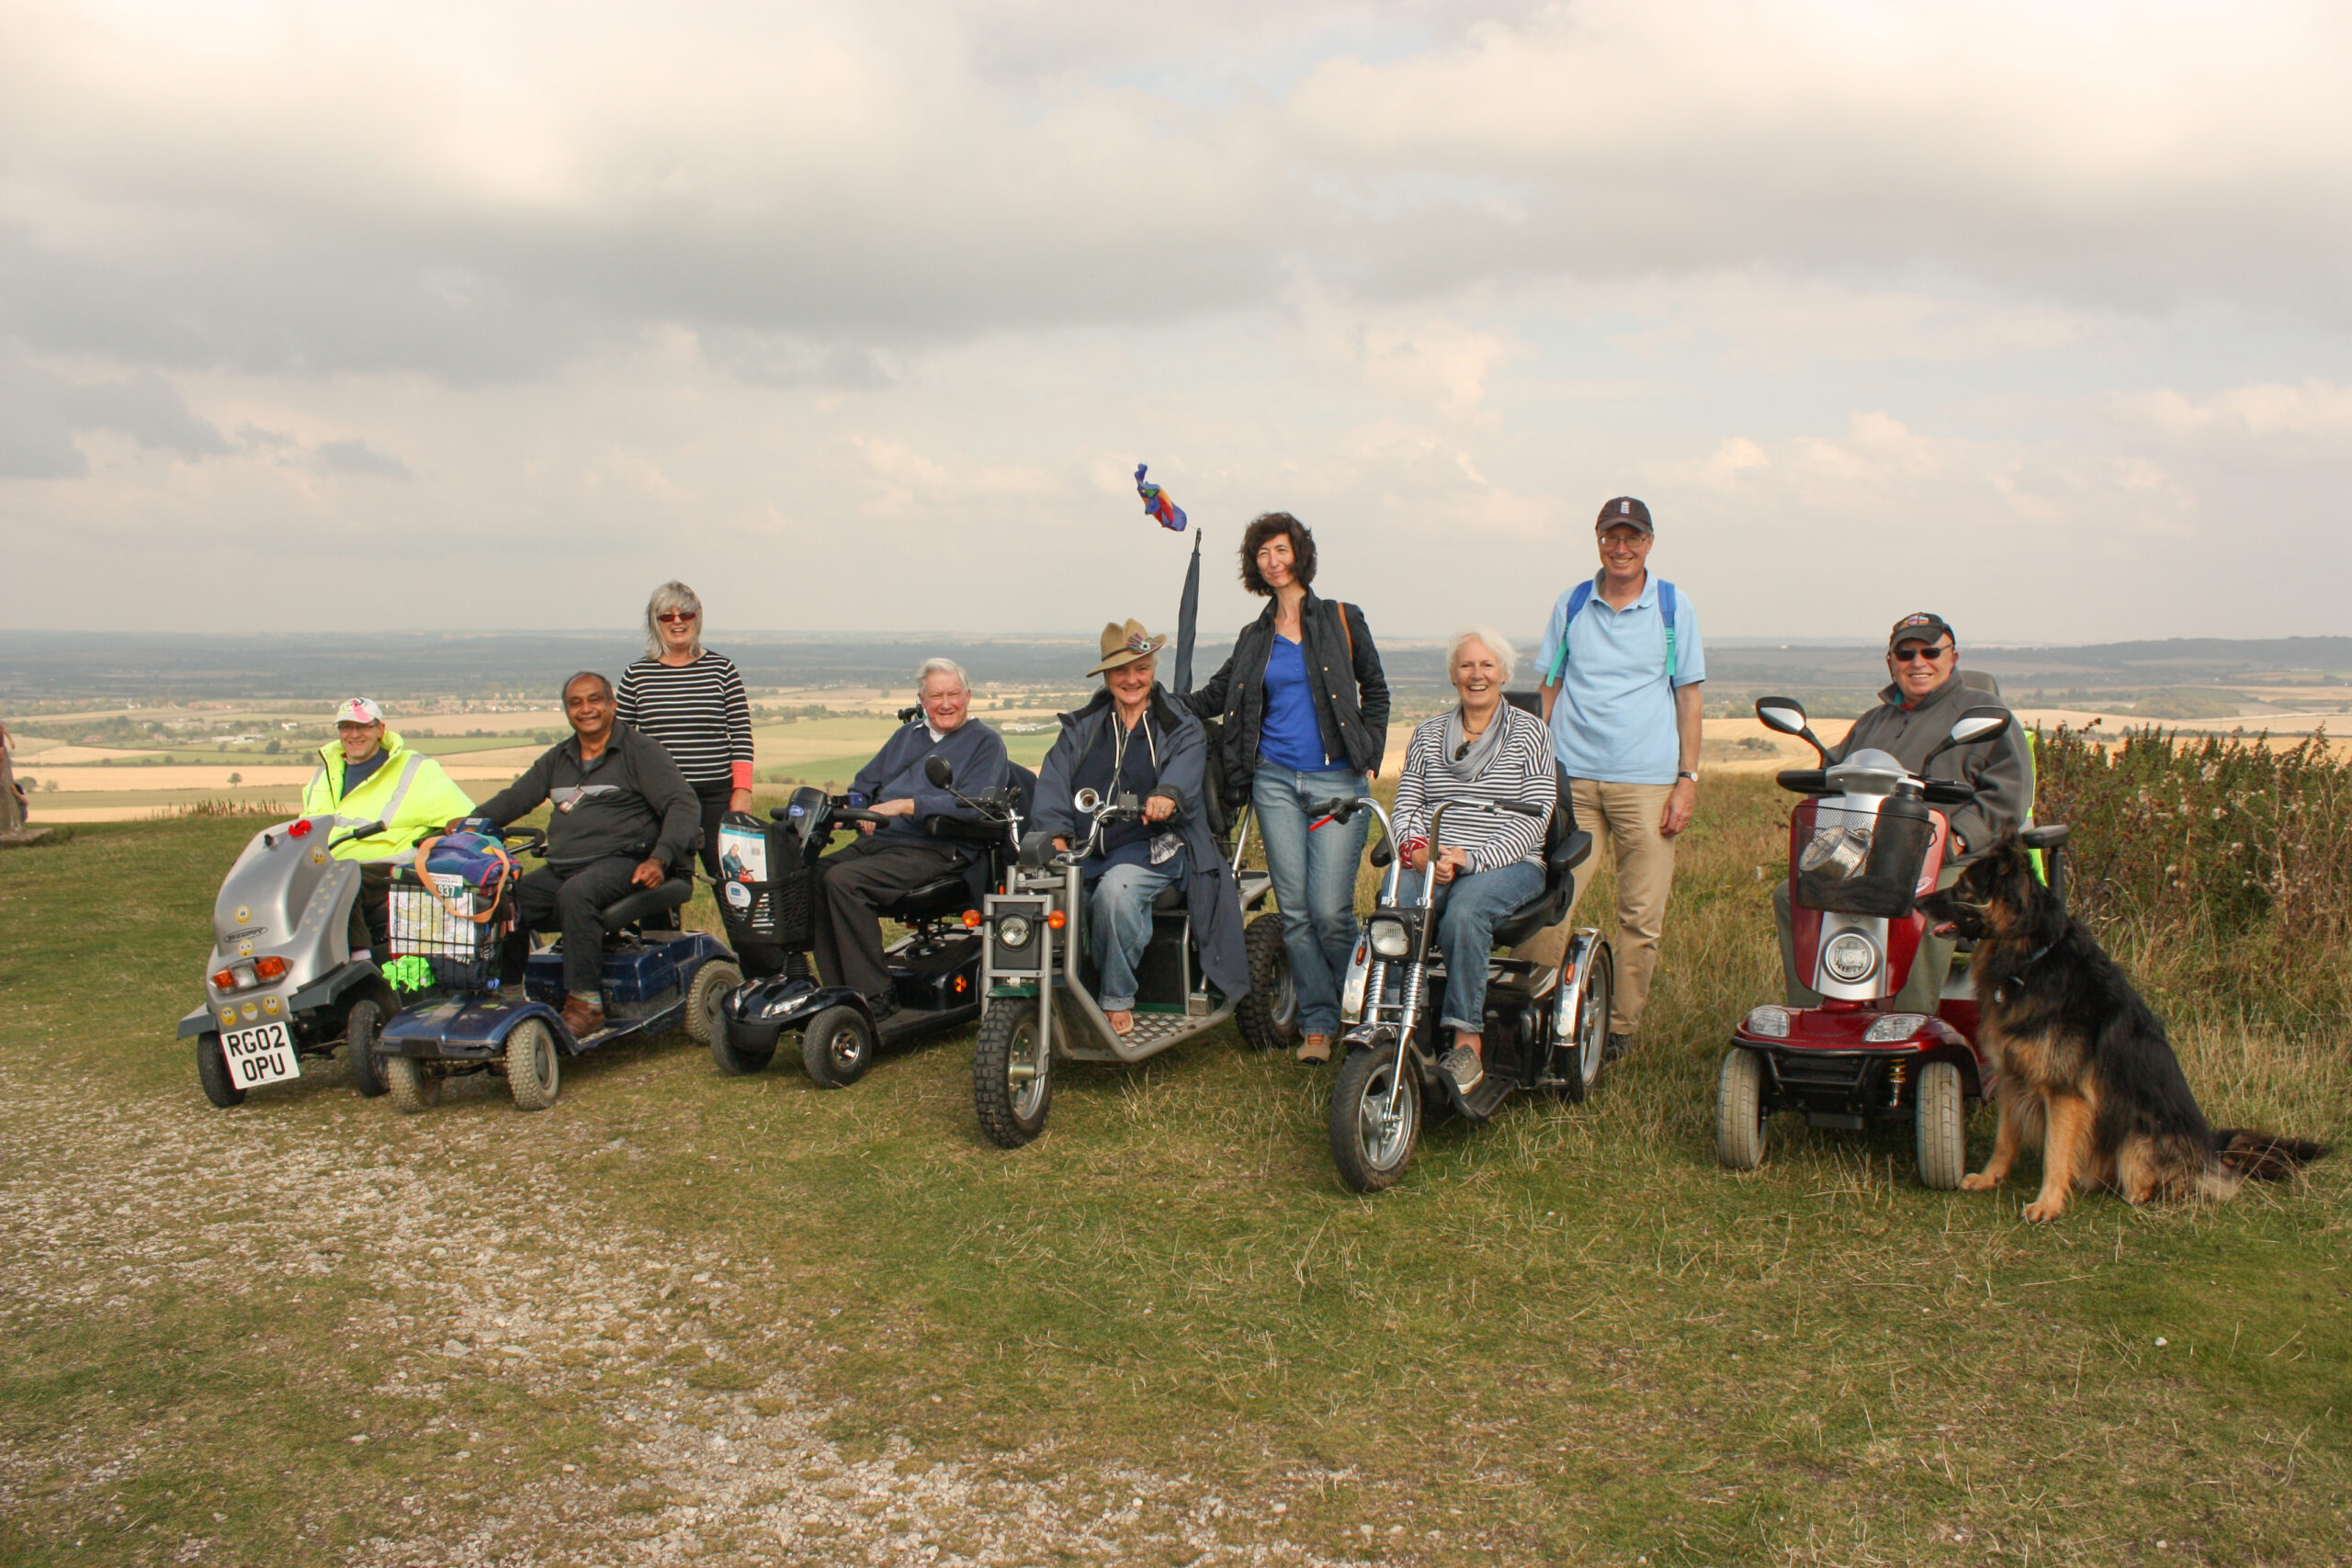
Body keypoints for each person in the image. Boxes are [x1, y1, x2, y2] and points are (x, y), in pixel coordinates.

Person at [1187, 513, 1389, 1066]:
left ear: (1299, 553)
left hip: (1336, 782)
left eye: (1280, 550)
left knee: (1329, 911)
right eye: (1262, 555)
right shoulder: (1255, 637)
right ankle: (1320, 1022)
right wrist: (1153, 699)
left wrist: (1369, 749)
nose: (1273, 562)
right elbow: (1217, 694)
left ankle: (1368, 1011)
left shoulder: (1342, 619)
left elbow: (1375, 687)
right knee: (1295, 912)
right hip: (1274, 780)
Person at [1774, 611, 2034, 1011]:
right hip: (1870, 854)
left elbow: (2009, 798)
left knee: (1924, 904)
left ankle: (1908, 1025)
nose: (1918, 662)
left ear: (1953, 656)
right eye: (1906, 653)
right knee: (1792, 894)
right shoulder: (1873, 722)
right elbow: (1834, 780)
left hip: (1950, 857)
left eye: (1931, 651)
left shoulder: (1984, 715)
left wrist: (1958, 837)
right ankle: (1817, 1015)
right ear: (1891, 661)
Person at [1527, 496, 1706, 1061]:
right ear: (1598, 539)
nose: (1621, 547)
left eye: (1632, 537)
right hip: (1573, 779)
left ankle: (1619, 1030)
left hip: (1648, 785)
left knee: (1641, 915)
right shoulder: (1573, 602)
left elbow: (1689, 697)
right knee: (1551, 898)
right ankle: (1533, 1015)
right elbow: (1550, 686)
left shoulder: (1674, 607)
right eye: (1611, 536)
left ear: (1649, 542)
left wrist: (1688, 779)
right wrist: (1534, 763)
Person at [1033, 621, 1250, 1035]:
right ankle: (1053, 992)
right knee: (1044, 891)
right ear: (1107, 675)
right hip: (1089, 845)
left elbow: (1185, 770)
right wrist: (1055, 834)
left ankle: (1115, 998)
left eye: (1141, 669)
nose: (1132, 679)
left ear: (1152, 669)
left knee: (1117, 893)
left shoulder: (1178, 723)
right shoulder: (1084, 726)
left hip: (1158, 846)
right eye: (1121, 671)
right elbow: (1054, 780)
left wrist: (1166, 795)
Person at [468, 671, 700, 1038]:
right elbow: (516, 798)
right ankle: (509, 995)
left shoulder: (640, 752)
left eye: (594, 700)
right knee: (506, 897)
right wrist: (469, 823)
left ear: (612, 704)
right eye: (576, 703)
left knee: (577, 894)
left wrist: (661, 857)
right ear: (567, 710)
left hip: (625, 861)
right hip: (564, 866)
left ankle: (586, 1005)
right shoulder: (558, 757)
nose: (586, 709)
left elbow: (682, 804)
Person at [1391, 628, 1556, 1094]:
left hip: (1507, 860)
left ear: (1503, 674)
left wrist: (1470, 859)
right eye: (1467, 665)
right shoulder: (1427, 735)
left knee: (1464, 913)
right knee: (1398, 908)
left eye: (1487, 666)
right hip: (1432, 856)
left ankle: (1467, 1040)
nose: (1476, 674)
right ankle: (1400, 1018)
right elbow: (1406, 807)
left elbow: (1535, 819)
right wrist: (1419, 854)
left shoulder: (1532, 734)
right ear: (1453, 675)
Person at [808, 659, 1012, 1018]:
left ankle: (876, 996)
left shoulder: (985, 743)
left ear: (968, 696)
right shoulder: (907, 736)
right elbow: (865, 783)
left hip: (938, 847)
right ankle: (839, 989)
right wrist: (852, 808)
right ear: (922, 699)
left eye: (953, 694)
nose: (945, 704)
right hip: (883, 843)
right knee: (814, 873)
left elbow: (976, 805)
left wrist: (906, 806)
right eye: (936, 696)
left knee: (844, 881)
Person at [614, 581, 781, 976]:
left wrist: (741, 792)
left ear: (697, 618)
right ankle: (664, 983)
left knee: (740, 890)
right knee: (657, 894)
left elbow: (740, 733)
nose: (677, 622)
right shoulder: (636, 675)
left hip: (716, 799)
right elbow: (619, 742)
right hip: (657, 804)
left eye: (685, 614)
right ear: (654, 622)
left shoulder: (721, 668)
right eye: (667, 615)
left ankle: (767, 979)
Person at [298, 697, 476, 959]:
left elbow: (467, 819)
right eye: (346, 727)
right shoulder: (324, 775)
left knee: (340, 882)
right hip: (327, 865)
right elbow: (305, 828)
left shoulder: (415, 770)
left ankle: (360, 963)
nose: (354, 735)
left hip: (389, 866)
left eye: (364, 727)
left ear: (380, 729)